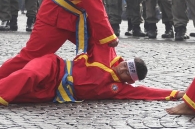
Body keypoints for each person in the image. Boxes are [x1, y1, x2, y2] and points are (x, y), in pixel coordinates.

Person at [0, 51, 180, 106]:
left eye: (127, 71)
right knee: (28, 75)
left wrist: (176, 94)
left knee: (19, 97)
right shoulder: (106, 53)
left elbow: (145, 92)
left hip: (55, 91)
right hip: (53, 66)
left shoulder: (118, 89)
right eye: (126, 64)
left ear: (129, 80)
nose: (123, 68)